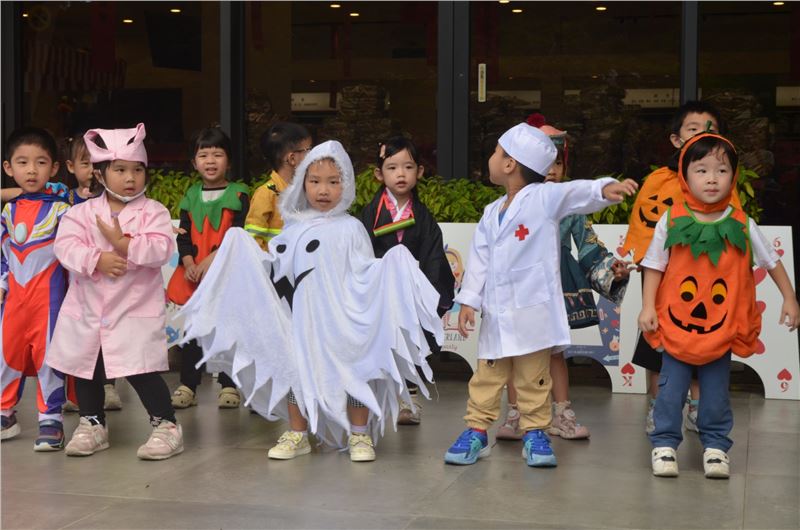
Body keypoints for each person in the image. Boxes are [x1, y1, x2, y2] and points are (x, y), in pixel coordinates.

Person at [178, 140, 443, 462]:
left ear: (346, 184)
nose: (323, 190)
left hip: (342, 320)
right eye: (315, 181)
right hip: (301, 321)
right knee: (296, 372)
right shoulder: (293, 229)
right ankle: (297, 432)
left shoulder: (352, 228)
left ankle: (359, 434)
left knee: (354, 372)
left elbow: (364, 270)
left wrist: (392, 266)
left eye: (333, 181)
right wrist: (240, 249)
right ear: (303, 182)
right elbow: (278, 269)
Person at [444, 123, 638, 467]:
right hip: (498, 315)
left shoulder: (544, 199)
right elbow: (479, 261)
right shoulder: (491, 213)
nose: (491, 159)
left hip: (533, 314)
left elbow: (575, 192)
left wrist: (603, 188)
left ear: (509, 164)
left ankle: (535, 433)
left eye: (496, 152)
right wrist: (469, 301)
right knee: (487, 377)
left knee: (534, 378)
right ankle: (477, 430)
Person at [638, 132, 799, 478]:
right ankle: (664, 444)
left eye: (722, 170)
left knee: (715, 393)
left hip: (720, 327)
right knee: (670, 390)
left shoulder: (742, 223)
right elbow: (654, 265)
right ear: (685, 174)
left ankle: (715, 446)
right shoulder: (671, 219)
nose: (712, 178)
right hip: (676, 326)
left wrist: (789, 297)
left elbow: (771, 261)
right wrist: (648, 306)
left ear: (733, 176)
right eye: (702, 170)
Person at [47, 123, 184, 460]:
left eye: (137, 170)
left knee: (141, 369)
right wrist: (97, 259)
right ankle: (92, 423)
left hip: (133, 309)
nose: (130, 178)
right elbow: (65, 248)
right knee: (86, 366)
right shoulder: (80, 213)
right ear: (100, 173)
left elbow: (161, 248)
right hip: (88, 308)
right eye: (120, 170)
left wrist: (123, 244)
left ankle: (166, 425)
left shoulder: (154, 212)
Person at [497, 117, 632, 441]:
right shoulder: (505, 207)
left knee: (555, 352)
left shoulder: (569, 207)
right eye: (544, 162)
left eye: (557, 162)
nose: (551, 170)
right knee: (516, 353)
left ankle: (561, 414)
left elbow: (588, 247)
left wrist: (611, 269)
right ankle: (517, 415)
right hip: (518, 288)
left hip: (553, 285)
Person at [622, 101, 740, 434]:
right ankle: (658, 406)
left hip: (706, 279)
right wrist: (641, 264)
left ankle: (698, 408)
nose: (702, 133)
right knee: (657, 344)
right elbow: (645, 227)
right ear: (676, 139)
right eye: (693, 128)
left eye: (710, 128)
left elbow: (735, 227)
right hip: (663, 279)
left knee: (704, 340)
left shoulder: (722, 184)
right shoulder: (659, 181)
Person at [358, 136, 455, 425]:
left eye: (408, 167)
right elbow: (361, 253)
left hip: (412, 291)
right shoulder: (370, 214)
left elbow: (434, 257)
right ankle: (372, 397)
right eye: (392, 167)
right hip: (380, 291)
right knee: (379, 342)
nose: (400, 174)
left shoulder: (424, 217)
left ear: (419, 172)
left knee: (412, 341)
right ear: (379, 174)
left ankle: (409, 398)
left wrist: (429, 291)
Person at [167, 127, 250, 409]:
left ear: (229, 161)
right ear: (194, 162)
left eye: (217, 154)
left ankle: (229, 384)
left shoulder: (239, 194)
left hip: (227, 273)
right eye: (203, 155)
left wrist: (208, 262)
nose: (210, 161)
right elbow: (183, 235)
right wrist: (189, 262)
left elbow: (238, 233)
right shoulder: (191, 196)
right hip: (196, 277)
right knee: (192, 332)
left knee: (228, 329)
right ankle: (188, 384)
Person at [0, 127, 69, 450]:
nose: (31, 170)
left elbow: (73, 255)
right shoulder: (8, 211)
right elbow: (3, 254)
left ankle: (50, 418)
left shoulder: (62, 209)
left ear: (53, 168)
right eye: (22, 162)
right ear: (8, 168)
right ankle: (4, 412)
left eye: (40, 163)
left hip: (49, 299)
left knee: (48, 357)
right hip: (13, 300)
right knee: (6, 354)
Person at [60, 135, 124, 413]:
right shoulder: (63, 197)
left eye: (97, 164)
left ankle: (108, 385)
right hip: (74, 277)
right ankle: (75, 391)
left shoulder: (111, 199)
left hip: (103, 277)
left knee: (105, 332)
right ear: (70, 166)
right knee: (77, 334)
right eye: (85, 164)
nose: (91, 170)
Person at [245, 122, 312, 250]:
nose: (312, 156)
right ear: (292, 158)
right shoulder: (266, 194)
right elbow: (252, 242)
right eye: (308, 150)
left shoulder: (307, 190)